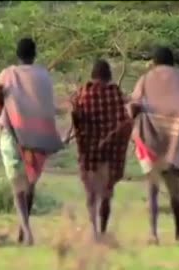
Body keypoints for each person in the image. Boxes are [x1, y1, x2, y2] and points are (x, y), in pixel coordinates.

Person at [0, 37, 63, 246]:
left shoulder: (7, 74)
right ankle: (24, 230)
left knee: (17, 186)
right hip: (40, 137)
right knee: (29, 185)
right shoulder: (45, 76)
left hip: (13, 133)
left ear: (18, 55)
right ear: (35, 54)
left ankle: (26, 231)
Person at [127, 46, 179, 244]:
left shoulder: (145, 79)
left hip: (151, 142)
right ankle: (178, 233)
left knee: (152, 190)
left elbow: (134, 104)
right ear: (172, 62)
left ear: (154, 62)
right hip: (174, 142)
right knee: (175, 192)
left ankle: (153, 234)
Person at [70, 59, 132, 240]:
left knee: (91, 194)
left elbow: (77, 120)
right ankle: (102, 232)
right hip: (110, 155)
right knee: (106, 194)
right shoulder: (116, 95)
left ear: (93, 76)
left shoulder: (83, 94)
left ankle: (94, 230)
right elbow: (125, 123)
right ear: (109, 77)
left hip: (89, 154)